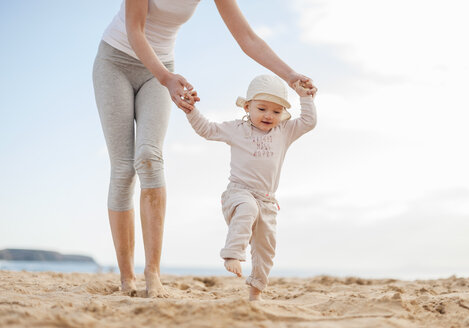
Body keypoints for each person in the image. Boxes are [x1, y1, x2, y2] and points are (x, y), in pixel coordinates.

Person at [92, 0, 317, 298]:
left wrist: (290, 76)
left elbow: (247, 38)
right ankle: (126, 277)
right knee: (123, 168)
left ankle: (153, 273)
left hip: (160, 69)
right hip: (116, 62)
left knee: (149, 157)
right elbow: (135, 31)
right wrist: (167, 78)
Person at [183, 75, 317, 300]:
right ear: (247, 106)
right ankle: (233, 254)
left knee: (266, 249)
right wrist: (191, 110)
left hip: (267, 200)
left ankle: (255, 294)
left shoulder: (284, 131)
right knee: (248, 209)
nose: (268, 115)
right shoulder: (237, 129)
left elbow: (308, 122)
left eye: (276, 112)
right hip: (239, 193)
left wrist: (306, 98)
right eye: (262, 108)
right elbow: (206, 129)